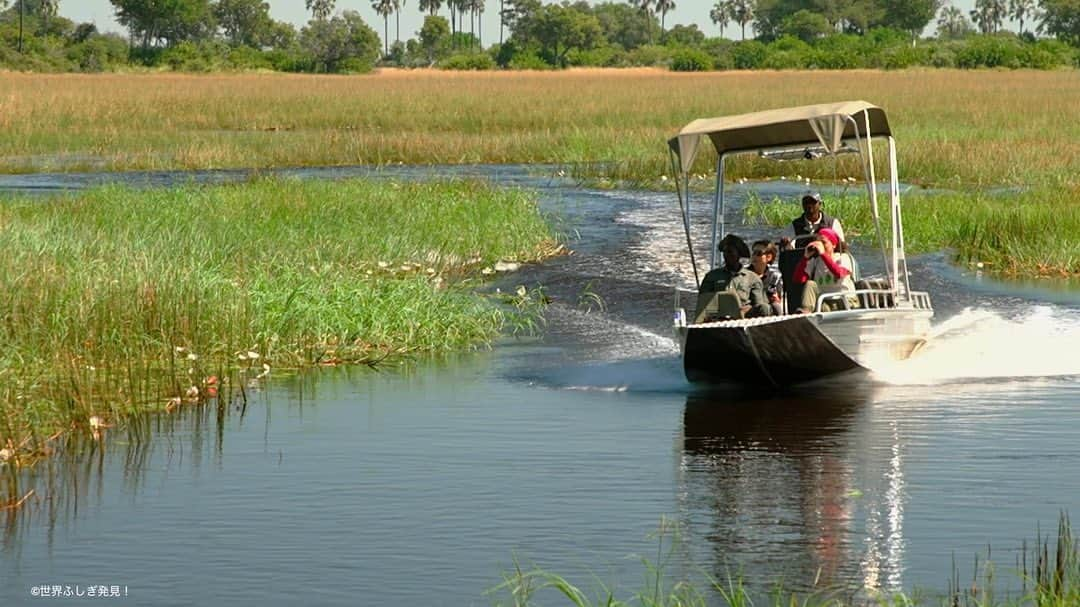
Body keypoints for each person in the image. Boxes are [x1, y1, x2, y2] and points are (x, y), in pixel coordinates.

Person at [699, 234, 771, 319]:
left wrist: (745, 310)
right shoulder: (712, 276)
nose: (726, 255)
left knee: (765, 308)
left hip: (743, 320)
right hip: (718, 319)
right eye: (725, 252)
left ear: (738, 254)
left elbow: (759, 306)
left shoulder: (752, 278)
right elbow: (703, 303)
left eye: (730, 252)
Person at [792, 228, 856, 313]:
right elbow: (798, 279)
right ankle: (806, 311)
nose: (820, 245)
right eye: (818, 243)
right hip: (825, 303)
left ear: (833, 244)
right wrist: (805, 258)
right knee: (810, 284)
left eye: (824, 242)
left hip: (844, 302)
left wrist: (823, 254)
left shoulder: (842, 257)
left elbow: (839, 273)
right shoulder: (815, 262)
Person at [750, 240, 783, 316]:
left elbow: (778, 298)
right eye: (753, 253)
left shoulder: (775, 276)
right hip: (749, 306)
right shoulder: (745, 274)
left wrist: (776, 299)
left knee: (776, 306)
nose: (754, 256)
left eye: (758, 253)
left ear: (769, 257)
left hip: (766, 308)